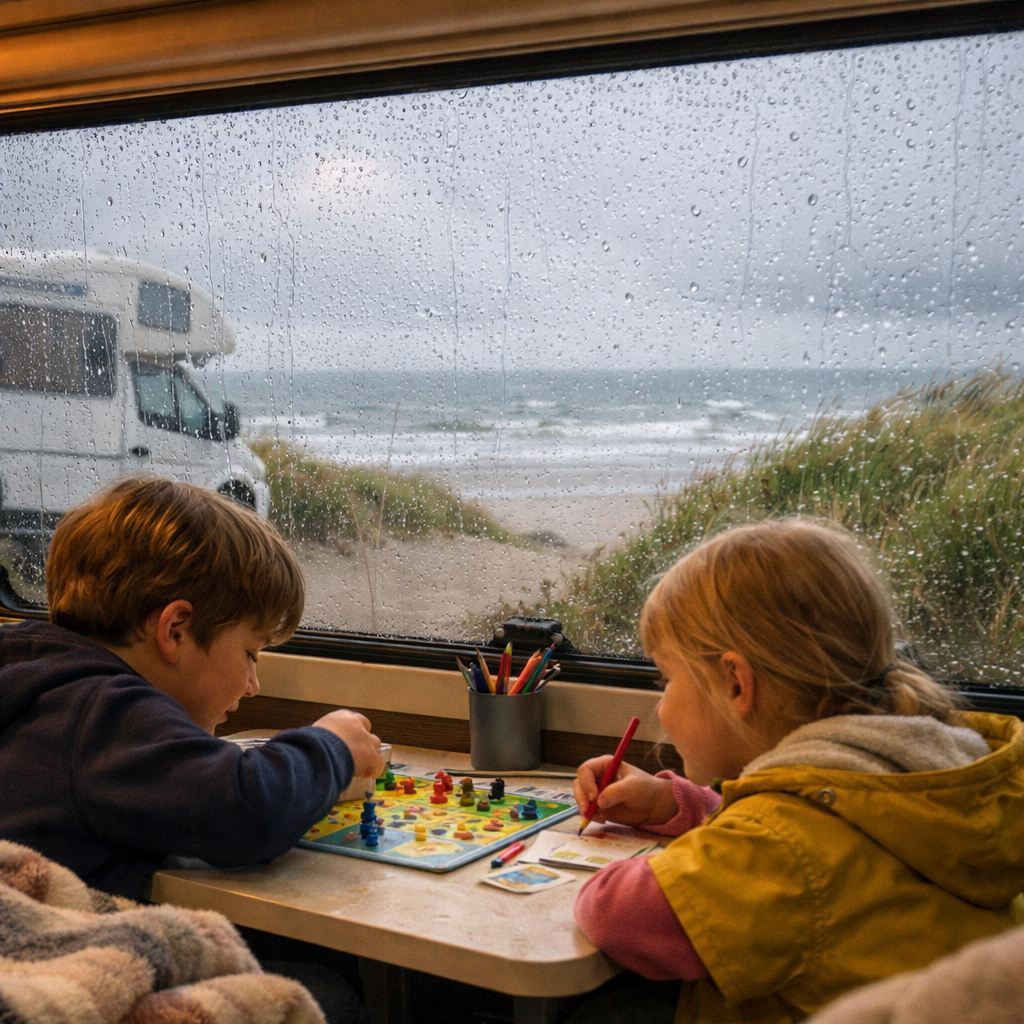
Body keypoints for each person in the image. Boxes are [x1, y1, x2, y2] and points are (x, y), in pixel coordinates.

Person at [569, 519, 1024, 1024]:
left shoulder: (778, 849)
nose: (662, 706)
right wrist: (681, 805)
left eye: (667, 678)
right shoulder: (928, 773)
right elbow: (826, 833)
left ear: (737, 684)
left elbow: (619, 914)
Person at [0, 477, 384, 902]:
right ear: (176, 631)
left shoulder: (33, 675)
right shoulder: (105, 714)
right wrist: (332, 747)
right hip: (48, 959)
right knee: (319, 972)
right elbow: (248, 811)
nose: (253, 686)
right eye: (251, 653)